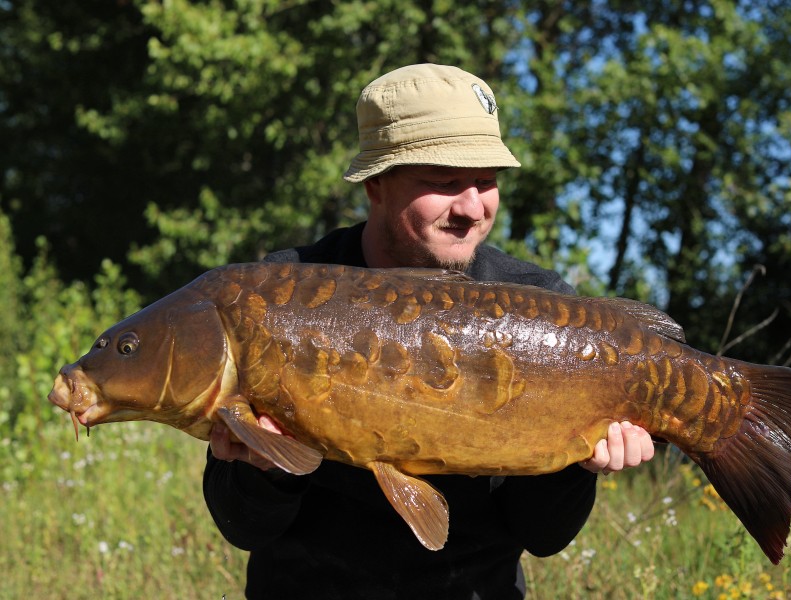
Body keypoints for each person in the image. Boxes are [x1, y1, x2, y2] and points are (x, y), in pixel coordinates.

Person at [203, 63, 654, 599]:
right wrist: (266, 469)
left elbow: (543, 536)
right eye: (443, 182)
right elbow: (244, 529)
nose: (471, 207)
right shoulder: (279, 296)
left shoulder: (542, 308)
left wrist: (577, 465)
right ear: (376, 184)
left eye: (486, 181)